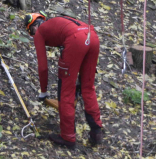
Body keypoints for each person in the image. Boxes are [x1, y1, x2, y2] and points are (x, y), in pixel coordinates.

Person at [24, 13, 104, 149]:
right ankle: (96, 131)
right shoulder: (57, 23)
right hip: (92, 36)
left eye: (31, 32)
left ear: (34, 26)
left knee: (66, 90)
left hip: (76, 40)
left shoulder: (40, 32)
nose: (33, 35)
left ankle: (68, 137)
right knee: (88, 87)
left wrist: (43, 91)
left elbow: (43, 68)